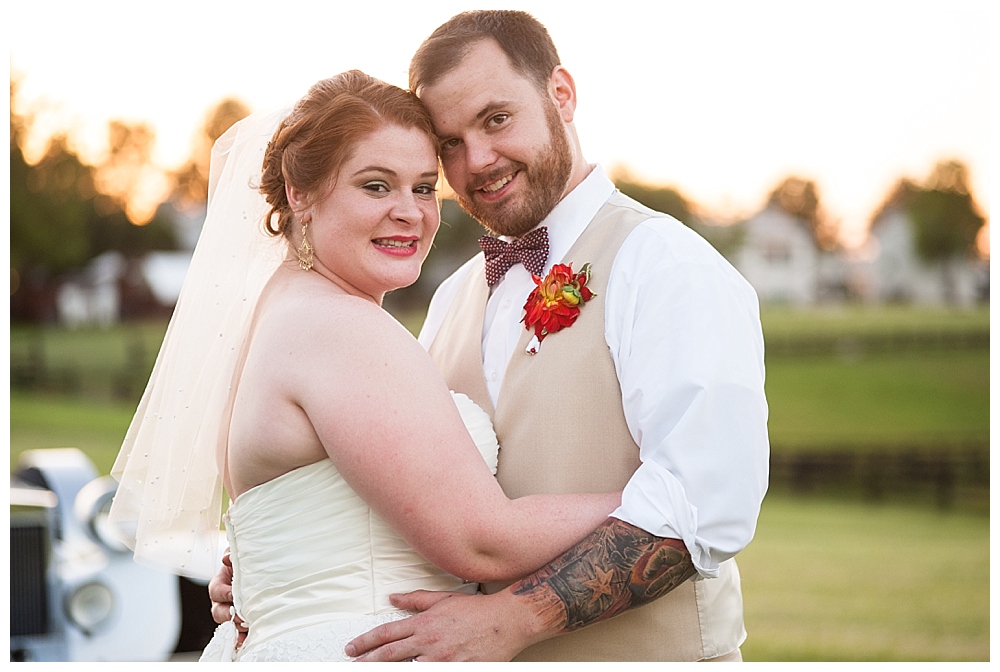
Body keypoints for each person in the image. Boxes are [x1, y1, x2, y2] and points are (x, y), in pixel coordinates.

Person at [108, 70, 622, 662]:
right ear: (299, 193)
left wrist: (254, 576)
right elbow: (481, 542)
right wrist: (661, 496)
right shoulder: (339, 328)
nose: (410, 212)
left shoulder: (281, 312)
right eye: (376, 186)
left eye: (424, 188)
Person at [337, 10, 770, 662]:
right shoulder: (453, 296)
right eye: (449, 142)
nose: (476, 160)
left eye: (496, 119)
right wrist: (278, 569)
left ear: (561, 95)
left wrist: (510, 620)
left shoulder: (665, 266)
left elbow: (701, 504)